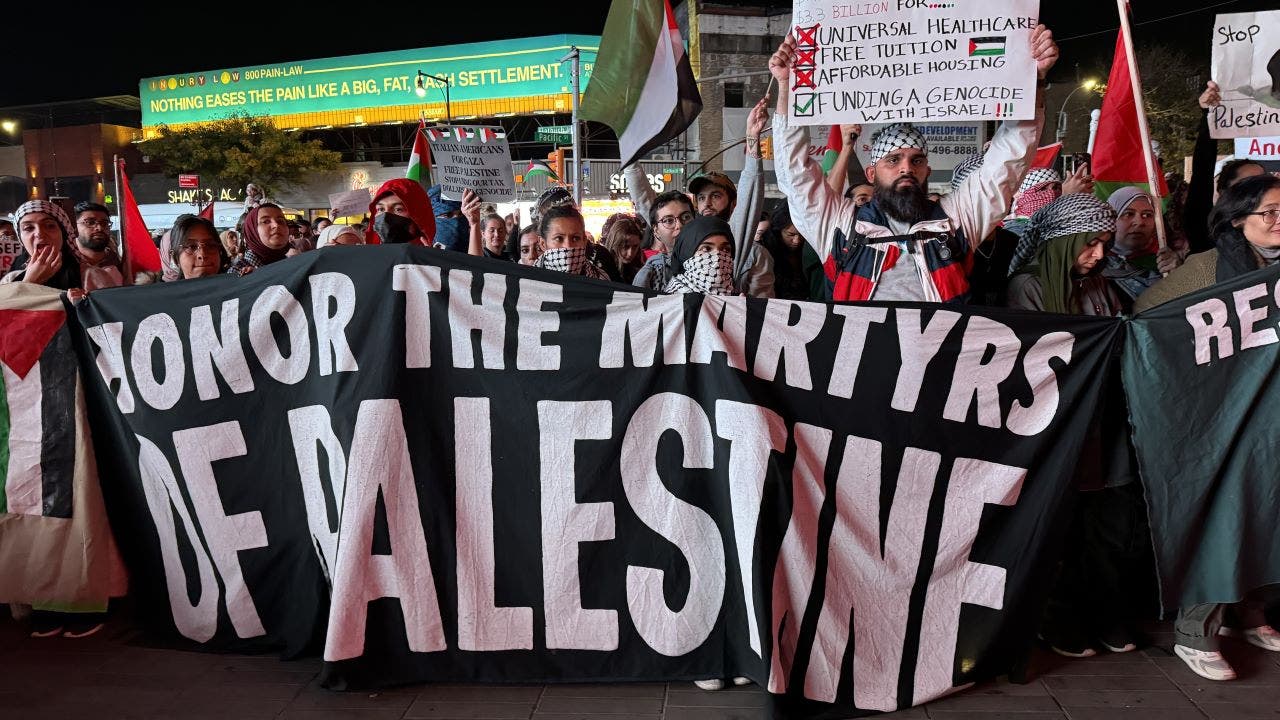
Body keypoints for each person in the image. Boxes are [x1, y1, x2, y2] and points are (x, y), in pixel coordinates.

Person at [768, 24, 1059, 302]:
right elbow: (796, 175)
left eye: (916, 160)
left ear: (927, 171)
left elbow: (1007, 162)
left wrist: (1034, 81)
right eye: (893, 160)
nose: (906, 168)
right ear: (871, 173)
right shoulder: (841, 226)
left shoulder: (956, 221)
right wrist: (785, 87)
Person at [1134, 175, 1280, 681]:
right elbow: (1147, 319)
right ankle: (1196, 633)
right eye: (1270, 212)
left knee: (1271, 517)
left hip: (1273, 420)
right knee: (1229, 522)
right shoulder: (1209, 268)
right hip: (1223, 422)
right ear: (1239, 218)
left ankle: (1250, 612)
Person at [626, 96, 774, 297]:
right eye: (701, 198)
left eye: (725, 250)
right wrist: (629, 150)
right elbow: (647, 202)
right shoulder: (657, 271)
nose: (707, 204)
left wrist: (752, 141)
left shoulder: (746, 250)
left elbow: (750, 204)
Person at [1183, 81, 1267, 254]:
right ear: (1223, 193)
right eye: (1248, 183)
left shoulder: (1274, 232)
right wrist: (1209, 114)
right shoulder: (1209, 231)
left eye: (1263, 183)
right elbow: (1202, 172)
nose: (1258, 190)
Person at [1007, 194, 1121, 315]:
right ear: (1063, 243)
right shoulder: (1029, 287)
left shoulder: (1096, 280)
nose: (1099, 255)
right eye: (1091, 243)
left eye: (1104, 245)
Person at [1101, 187, 1180, 310]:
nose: (1139, 222)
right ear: (1111, 219)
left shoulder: (1164, 262)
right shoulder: (1091, 267)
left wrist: (1180, 275)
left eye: (1147, 215)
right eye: (1128, 214)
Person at [1, 200, 82, 292]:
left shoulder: (89, 276)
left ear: (64, 233)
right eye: (29, 228)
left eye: (50, 226)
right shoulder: (10, 279)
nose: (39, 233)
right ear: (21, 239)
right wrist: (30, 282)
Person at [633, 190, 696, 291]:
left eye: (686, 217)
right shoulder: (649, 275)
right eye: (668, 220)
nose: (679, 225)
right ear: (656, 231)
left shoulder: (716, 261)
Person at [760, 204, 824, 301]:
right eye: (790, 235)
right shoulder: (766, 252)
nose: (797, 241)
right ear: (778, 231)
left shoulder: (811, 250)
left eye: (801, 234)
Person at [663, 216, 738, 296]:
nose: (717, 258)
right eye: (706, 248)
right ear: (686, 254)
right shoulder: (669, 303)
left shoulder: (738, 300)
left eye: (726, 249)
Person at [533, 205, 609, 280]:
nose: (568, 246)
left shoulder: (602, 281)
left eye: (575, 238)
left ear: (584, 241)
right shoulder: (528, 281)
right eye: (559, 238)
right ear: (543, 244)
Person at [366, 178, 438, 246]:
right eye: (381, 209)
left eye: (398, 209)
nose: (385, 216)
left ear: (419, 216)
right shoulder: (366, 257)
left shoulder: (434, 257)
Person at [70, 202, 125, 290]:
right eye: (90, 222)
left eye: (104, 223)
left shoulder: (121, 264)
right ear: (74, 226)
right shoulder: (64, 264)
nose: (99, 227)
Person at [227, 203, 292, 276]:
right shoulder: (237, 272)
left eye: (280, 221)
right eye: (266, 221)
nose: (276, 225)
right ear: (252, 230)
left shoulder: (294, 264)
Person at [169, 215, 228, 279]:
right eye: (191, 246)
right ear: (175, 258)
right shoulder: (166, 289)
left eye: (211, 246)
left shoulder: (238, 287)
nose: (202, 254)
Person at [601, 213, 645, 283]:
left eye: (635, 246)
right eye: (625, 247)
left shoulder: (641, 267)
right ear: (614, 244)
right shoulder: (602, 270)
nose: (630, 253)